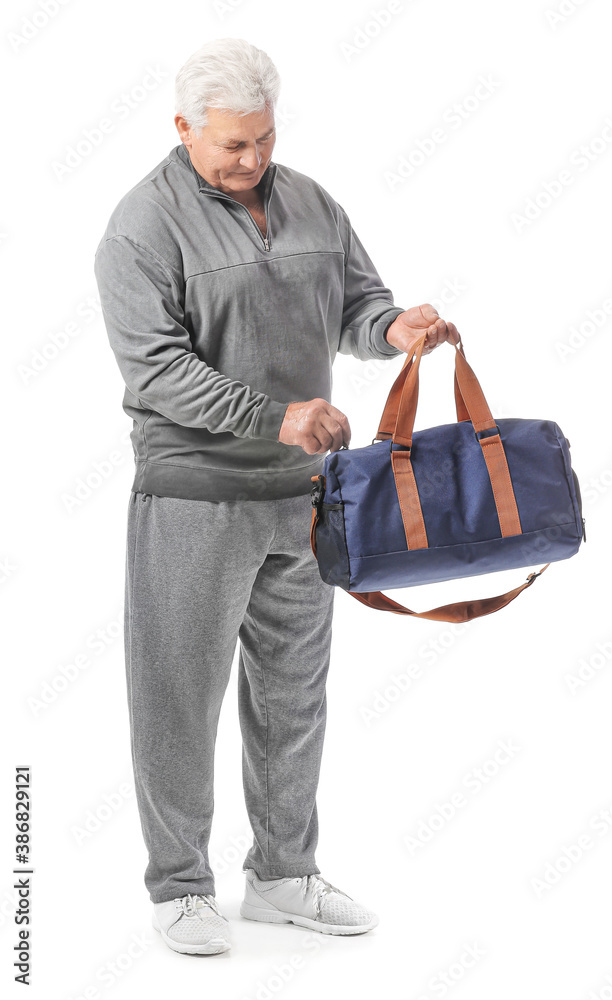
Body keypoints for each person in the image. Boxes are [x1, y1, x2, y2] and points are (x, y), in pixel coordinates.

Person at [94, 36, 458, 957]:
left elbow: (356, 304)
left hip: (304, 498)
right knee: (179, 696)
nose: (252, 161)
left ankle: (283, 875)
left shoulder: (309, 201)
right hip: (193, 499)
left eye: (262, 139)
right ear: (183, 129)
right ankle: (179, 887)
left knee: (294, 694)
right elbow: (159, 373)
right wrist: (276, 417)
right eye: (230, 146)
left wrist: (391, 328)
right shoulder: (140, 228)